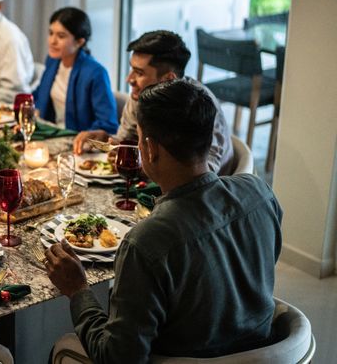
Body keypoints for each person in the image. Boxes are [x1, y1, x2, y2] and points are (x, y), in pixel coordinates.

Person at [46, 79, 282, 363]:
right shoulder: (260, 193)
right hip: (267, 353)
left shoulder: (146, 243)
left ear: (149, 149)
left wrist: (78, 291)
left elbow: (118, 358)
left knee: (60, 346)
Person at [73, 30, 234, 174]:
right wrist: (107, 140)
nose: (129, 79)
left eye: (139, 73)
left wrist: (146, 167)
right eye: (131, 69)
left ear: (168, 79)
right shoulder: (140, 96)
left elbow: (206, 174)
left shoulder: (201, 107)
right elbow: (125, 141)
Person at [32, 7, 118, 133]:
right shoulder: (53, 60)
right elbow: (39, 94)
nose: (52, 41)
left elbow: (108, 123)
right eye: (51, 33)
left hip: (77, 140)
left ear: (79, 42)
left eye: (61, 36)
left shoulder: (96, 73)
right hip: (52, 131)